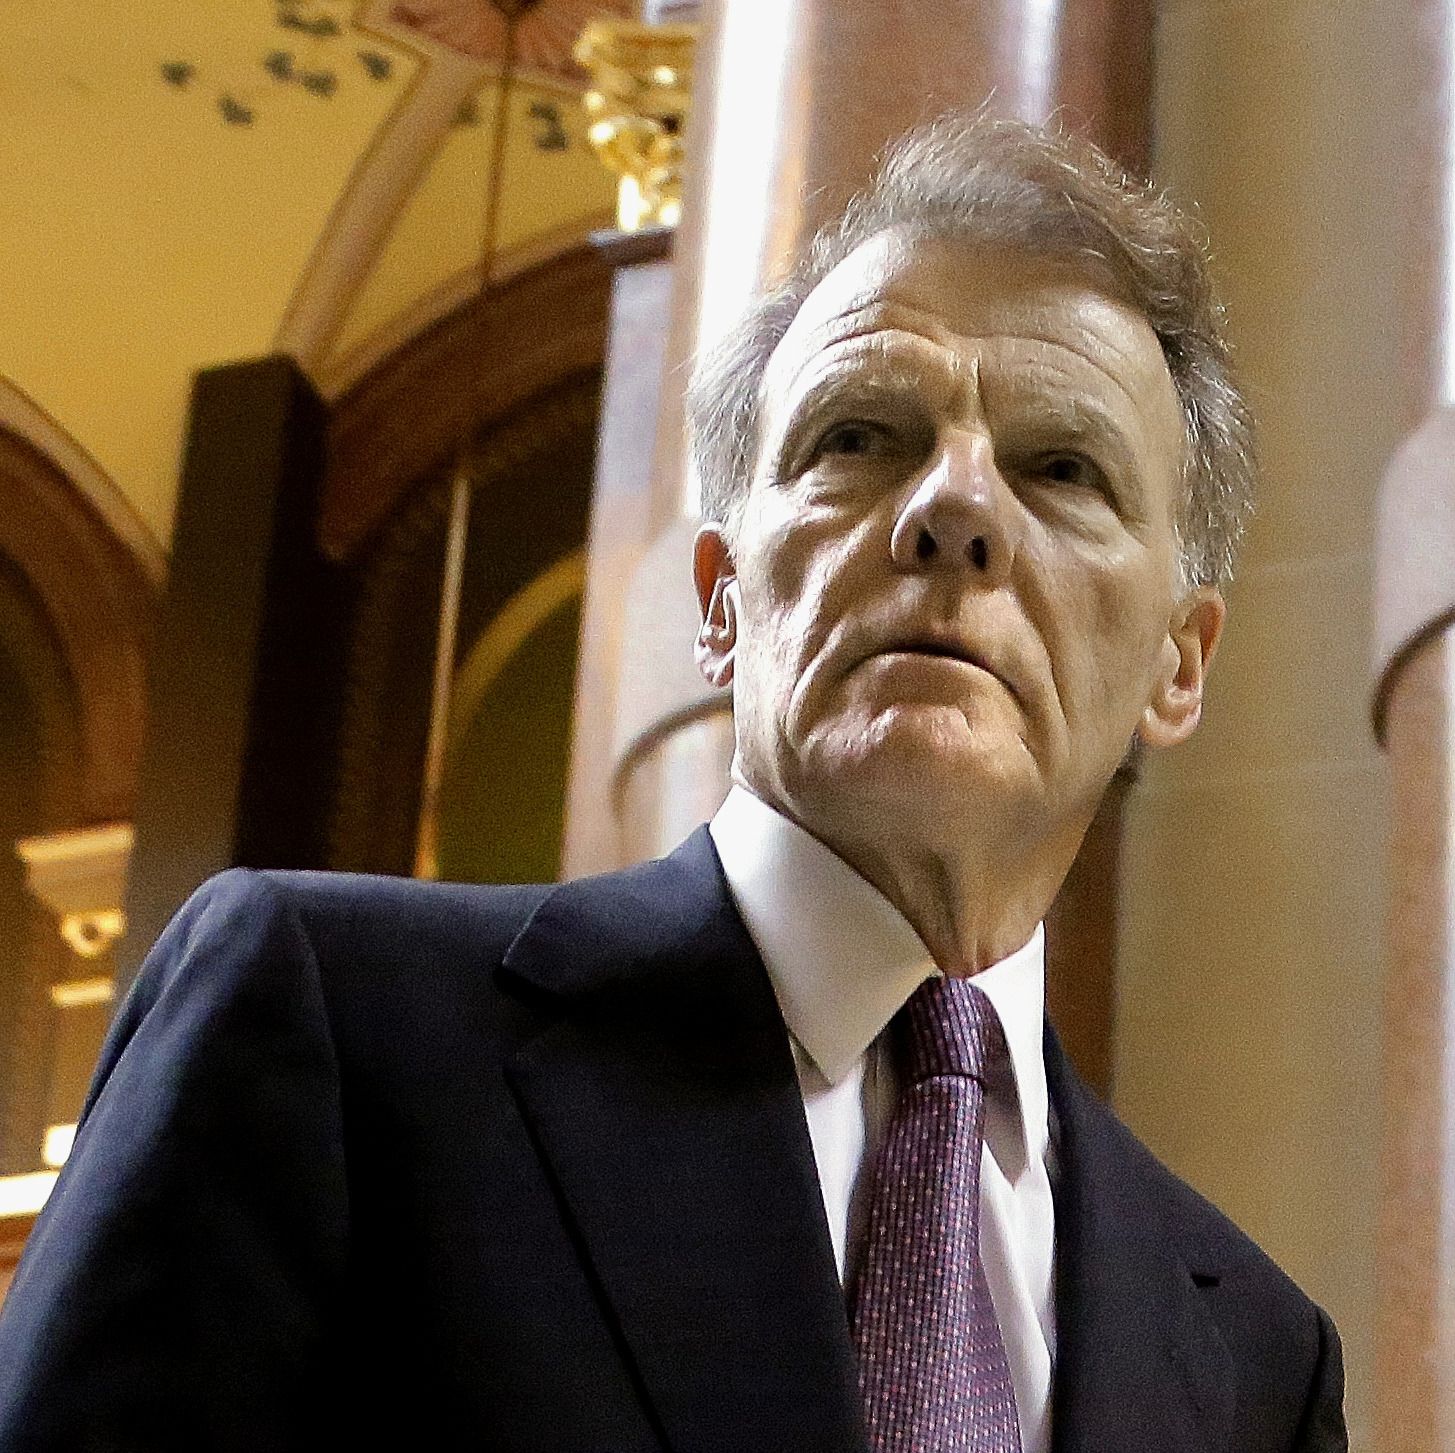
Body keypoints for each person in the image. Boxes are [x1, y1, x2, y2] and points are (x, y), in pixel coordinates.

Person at [0, 114, 1345, 1452]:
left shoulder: (1256, 1360)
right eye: (859, 437)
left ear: (1179, 663)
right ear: (720, 601)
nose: (955, 506)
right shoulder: (331, 1026)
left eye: (1063, 467)